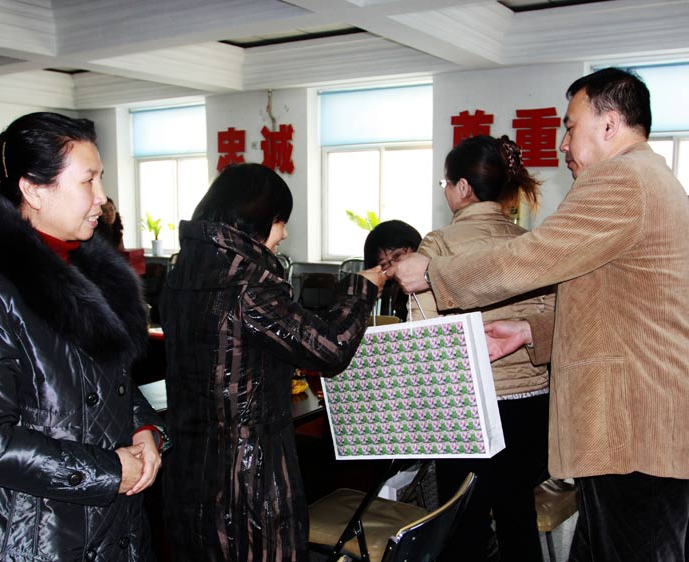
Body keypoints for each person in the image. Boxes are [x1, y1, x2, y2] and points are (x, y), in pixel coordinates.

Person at [387, 68, 689, 562]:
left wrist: (435, 273)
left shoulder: (621, 179)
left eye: (570, 126)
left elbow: (532, 258)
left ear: (609, 124)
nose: (562, 143)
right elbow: (621, 304)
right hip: (635, 428)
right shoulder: (652, 179)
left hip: (631, 429)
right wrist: (531, 330)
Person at [0, 112, 169, 562]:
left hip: (106, 525)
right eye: (88, 180)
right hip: (18, 535)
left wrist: (145, 429)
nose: (102, 197)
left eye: (100, 179)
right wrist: (109, 471)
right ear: (33, 190)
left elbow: (113, 385)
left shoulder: (87, 273)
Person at [159, 163, 385, 562]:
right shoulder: (248, 286)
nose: (283, 234)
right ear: (256, 221)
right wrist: (360, 291)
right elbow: (329, 349)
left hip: (188, 470)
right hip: (249, 478)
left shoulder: (182, 274)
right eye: (280, 222)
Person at [416, 135, 554, 562]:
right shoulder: (531, 241)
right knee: (518, 516)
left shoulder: (439, 245)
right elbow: (554, 318)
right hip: (531, 403)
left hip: (466, 404)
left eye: (445, 183)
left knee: (463, 524)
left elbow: (424, 335)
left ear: (462, 187)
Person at [363, 219, 422, 320]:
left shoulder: (435, 274)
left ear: (415, 247)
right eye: (384, 264)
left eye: (398, 255)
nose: (394, 267)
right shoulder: (393, 293)